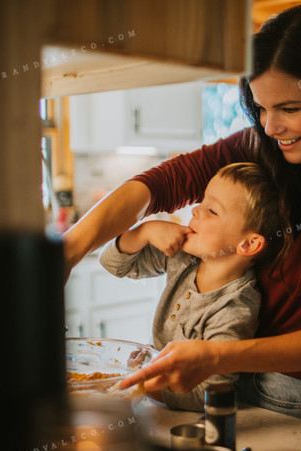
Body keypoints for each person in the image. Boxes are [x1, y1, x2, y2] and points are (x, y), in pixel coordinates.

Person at [64, 3, 301, 427]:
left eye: (289, 108)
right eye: (261, 109)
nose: (270, 127)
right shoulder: (263, 146)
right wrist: (69, 249)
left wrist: (218, 354)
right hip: (231, 386)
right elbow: (158, 185)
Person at [99, 162, 283, 411]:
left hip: (192, 420)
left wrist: (136, 381)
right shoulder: (183, 257)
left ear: (249, 244)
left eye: (212, 210)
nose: (196, 209)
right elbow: (112, 263)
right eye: (202, 202)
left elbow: (206, 395)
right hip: (159, 404)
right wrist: (144, 231)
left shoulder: (234, 307)